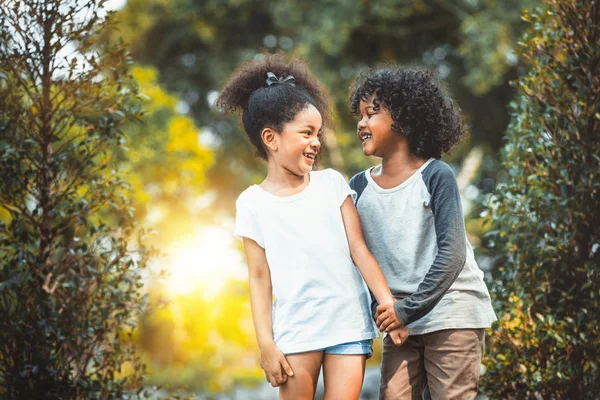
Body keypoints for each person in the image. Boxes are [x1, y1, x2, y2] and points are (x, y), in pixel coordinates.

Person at [216, 53, 407, 399]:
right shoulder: (252, 203)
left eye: (318, 133)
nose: (316, 142)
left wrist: (388, 303)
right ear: (271, 139)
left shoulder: (332, 184)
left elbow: (358, 249)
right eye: (306, 133)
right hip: (296, 331)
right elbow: (259, 278)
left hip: (347, 323)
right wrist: (266, 345)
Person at [348, 66, 497, 399]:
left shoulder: (435, 175)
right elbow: (359, 256)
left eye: (372, 113)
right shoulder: (358, 187)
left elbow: (453, 254)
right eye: (359, 115)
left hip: (451, 311)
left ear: (405, 120)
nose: (361, 123)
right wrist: (386, 310)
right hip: (401, 319)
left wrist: (406, 310)